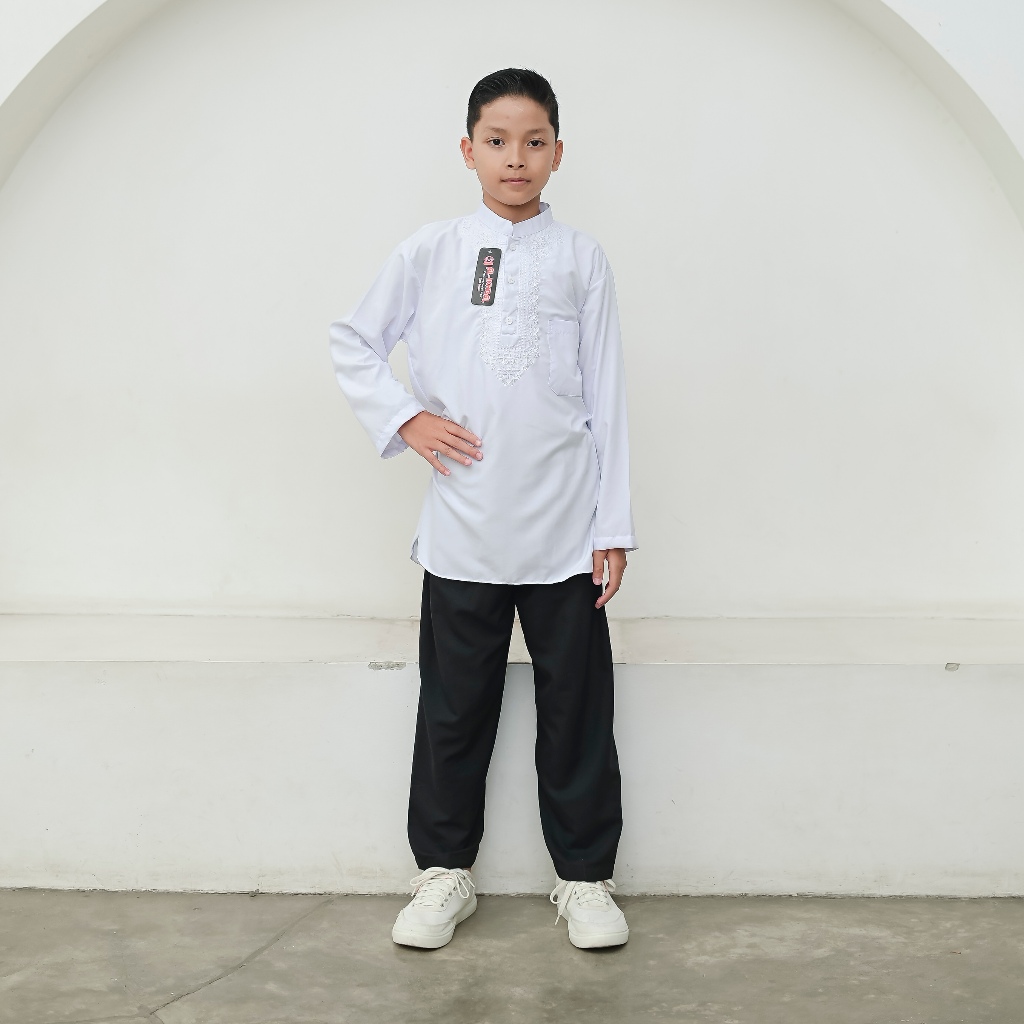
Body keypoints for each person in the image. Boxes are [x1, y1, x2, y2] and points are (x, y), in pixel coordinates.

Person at [328, 68, 637, 950]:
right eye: (497, 142)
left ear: (558, 154)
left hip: (567, 529)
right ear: (468, 151)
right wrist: (406, 417)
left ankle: (585, 879)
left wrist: (613, 526)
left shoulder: (581, 259)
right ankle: (442, 873)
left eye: (534, 142)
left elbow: (608, 395)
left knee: (577, 711)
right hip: (464, 525)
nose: (516, 158)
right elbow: (353, 340)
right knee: (455, 708)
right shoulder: (430, 251)